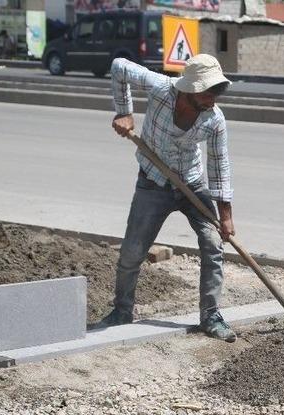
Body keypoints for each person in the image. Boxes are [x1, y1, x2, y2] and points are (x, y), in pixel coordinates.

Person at [95, 54, 237, 342]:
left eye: (218, 90)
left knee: (213, 244)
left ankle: (211, 315)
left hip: (192, 185)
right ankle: (122, 311)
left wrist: (225, 215)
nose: (214, 97)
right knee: (133, 251)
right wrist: (124, 111)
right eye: (209, 91)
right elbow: (119, 67)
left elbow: (219, 165)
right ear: (191, 88)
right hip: (153, 182)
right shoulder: (162, 89)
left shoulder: (214, 119)